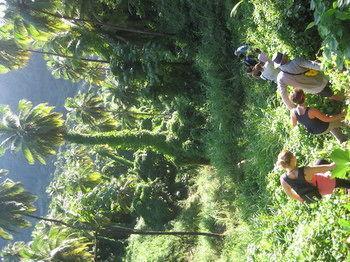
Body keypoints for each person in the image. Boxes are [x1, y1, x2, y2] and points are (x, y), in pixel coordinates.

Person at [272, 52, 344, 109]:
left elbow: (284, 95)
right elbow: (315, 65)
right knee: (340, 83)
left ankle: (345, 100)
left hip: (315, 89)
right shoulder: (297, 61)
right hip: (321, 78)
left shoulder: (280, 78)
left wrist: (293, 108)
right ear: (285, 57)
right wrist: (334, 68)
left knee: (331, 95)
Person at [276, 150, 350, 203]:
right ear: (292, 159)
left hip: (318, 191)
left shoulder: (283, 179)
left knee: (320, 161)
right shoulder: (305, 170)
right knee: (346, 183)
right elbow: (331, 166)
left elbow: (290, 195)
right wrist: (345, 158)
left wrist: (300, 199)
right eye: (293, 155)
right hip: (326, 184)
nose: (295, 156)